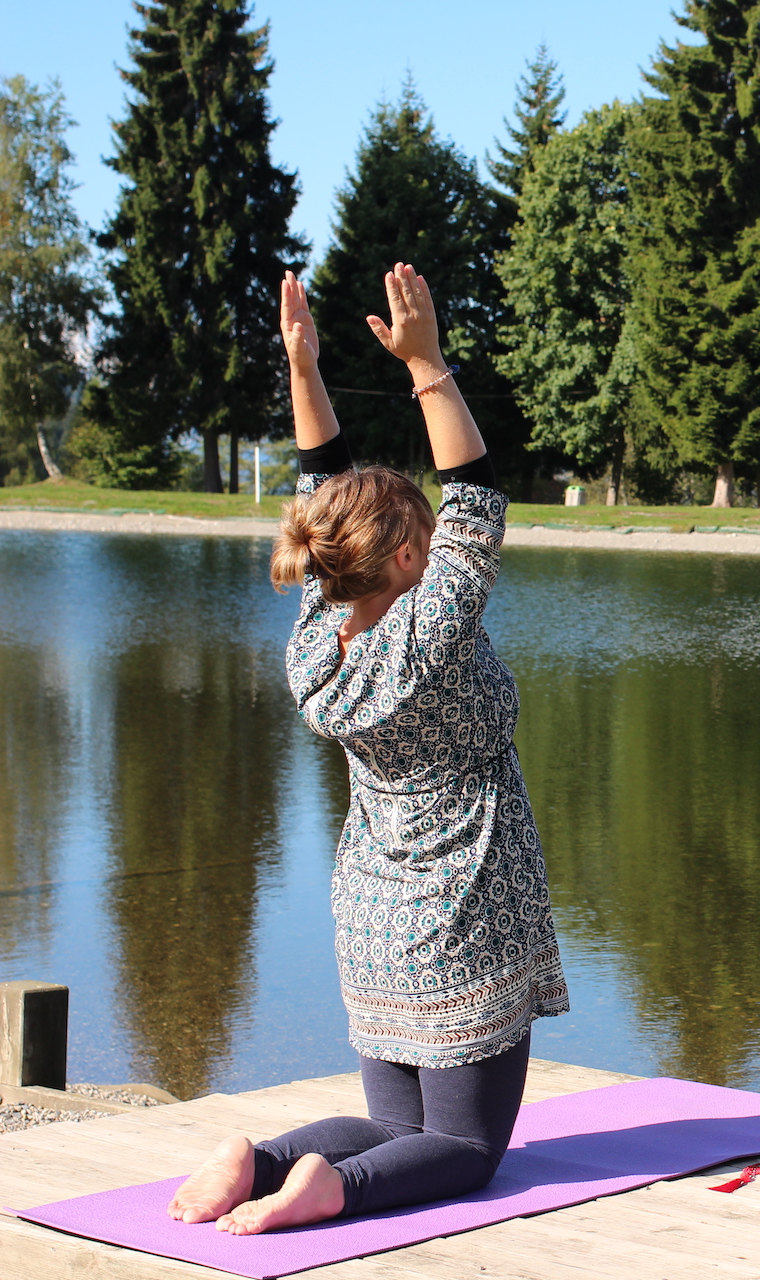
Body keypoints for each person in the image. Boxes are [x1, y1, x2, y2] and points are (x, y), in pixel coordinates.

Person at [163, 265, 570, 1235]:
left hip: (373, 913)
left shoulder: (318, 639)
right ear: (403, 560)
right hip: (462, 913)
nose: (439, 541)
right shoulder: (428, 635)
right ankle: (329, 1188)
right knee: (464, 1149)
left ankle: (260, 1160)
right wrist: (426, 362)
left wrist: (304, 370)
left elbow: (323, 493)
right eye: (422, 537)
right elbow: (475, 497)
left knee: (393, 1122)